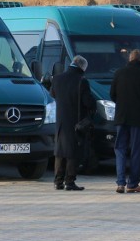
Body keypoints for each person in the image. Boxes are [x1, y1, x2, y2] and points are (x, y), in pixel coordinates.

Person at [110, 49, 140, 193]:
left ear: (129, 59)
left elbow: (112, 95)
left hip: (121, 118)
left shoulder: (119, 73)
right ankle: (133, 184)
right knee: (136, 151)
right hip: (138, 119)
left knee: (120, 149)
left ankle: (120, 183)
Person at [50, 55, 96, 191]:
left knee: (60, 151)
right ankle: (70, 182)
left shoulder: (57, 79)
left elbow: (53, 94)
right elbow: (88, 102)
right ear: (82, 67)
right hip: (76, 121)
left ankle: (57, 181)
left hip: (60, 121)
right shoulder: (82, 81)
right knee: (73, 152)